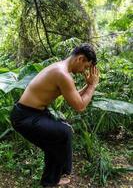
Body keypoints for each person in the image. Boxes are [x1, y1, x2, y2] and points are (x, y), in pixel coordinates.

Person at [9, 43, 99, 187]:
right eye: (86, 67)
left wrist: (88, 86)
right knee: (63, 133)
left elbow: (75, 98)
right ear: (80, 59)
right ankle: (55, 179)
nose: (84, 71)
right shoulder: (62, 74)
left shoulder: (61, 69)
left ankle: (53, 178)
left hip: (34, 113)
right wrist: (92, 86)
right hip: (24, 117)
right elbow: (80, 106)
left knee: (60, 134)